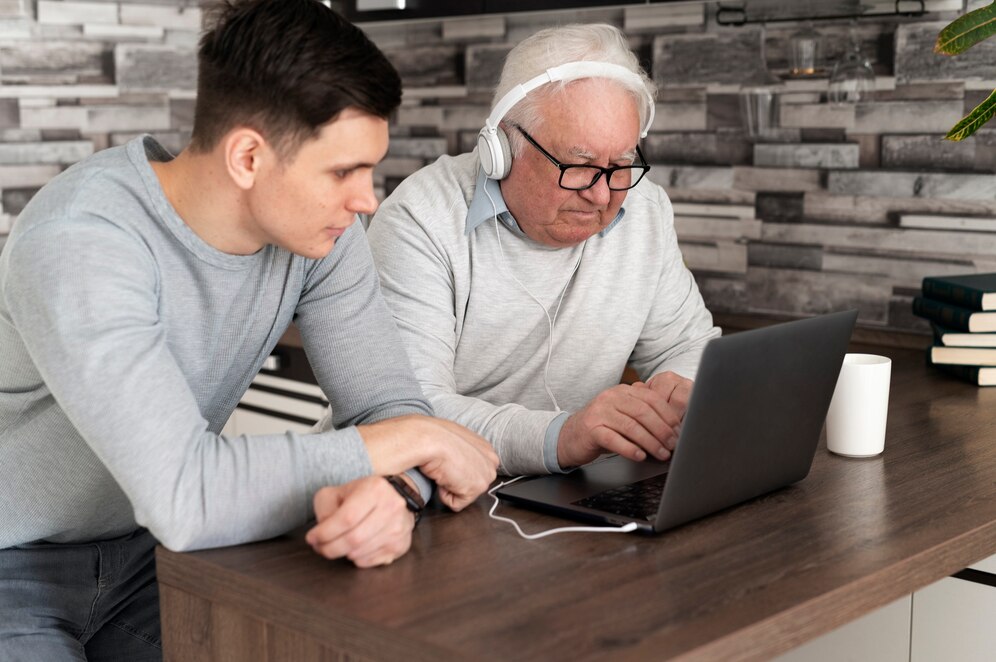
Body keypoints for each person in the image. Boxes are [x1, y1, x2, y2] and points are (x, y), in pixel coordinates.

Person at [0, 0, 498, 659]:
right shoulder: (82, 241)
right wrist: (409, 440)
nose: (366, 198)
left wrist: (397, 492)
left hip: (158, 555)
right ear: (247, 157)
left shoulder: (322, 235)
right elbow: (186, 492)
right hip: (14, 563)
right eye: (343, 170)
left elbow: (388, 407)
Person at [366, 23, 720, 477]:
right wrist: (563, 436)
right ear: (503, 147)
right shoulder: (420, 219)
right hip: (407, 497)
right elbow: (409, 413)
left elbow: (689, 345)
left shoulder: (646, 207)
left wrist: (680, 386)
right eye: (580, 166)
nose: (602, 194)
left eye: (621, 164)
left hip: (560, 496)